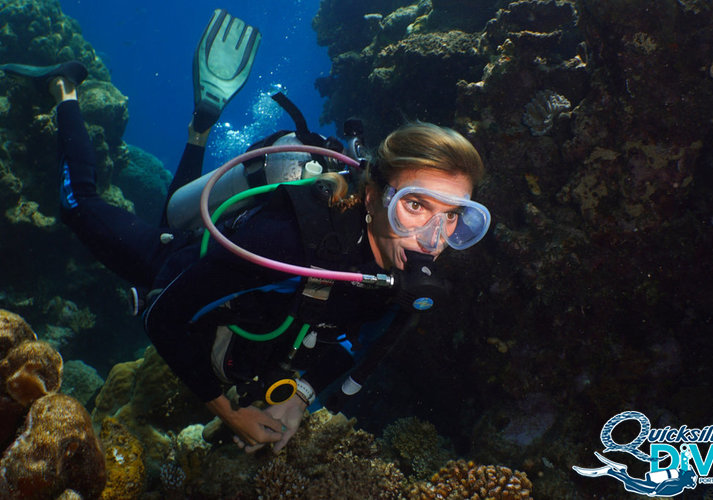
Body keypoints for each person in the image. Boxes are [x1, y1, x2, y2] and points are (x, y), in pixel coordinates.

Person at [2, 9, 490, 454]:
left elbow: (350, 339)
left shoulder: (398, 275)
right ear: (370, 194)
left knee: (171, 215)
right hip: (172, 264)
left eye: (454, 217)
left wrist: (299, 398)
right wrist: (230, 413)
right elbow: (162, 316)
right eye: (416, 206)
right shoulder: (285, 242)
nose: (433, 238)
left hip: (239, 308)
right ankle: (65, 90)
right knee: (80, 206)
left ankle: (201, 127)